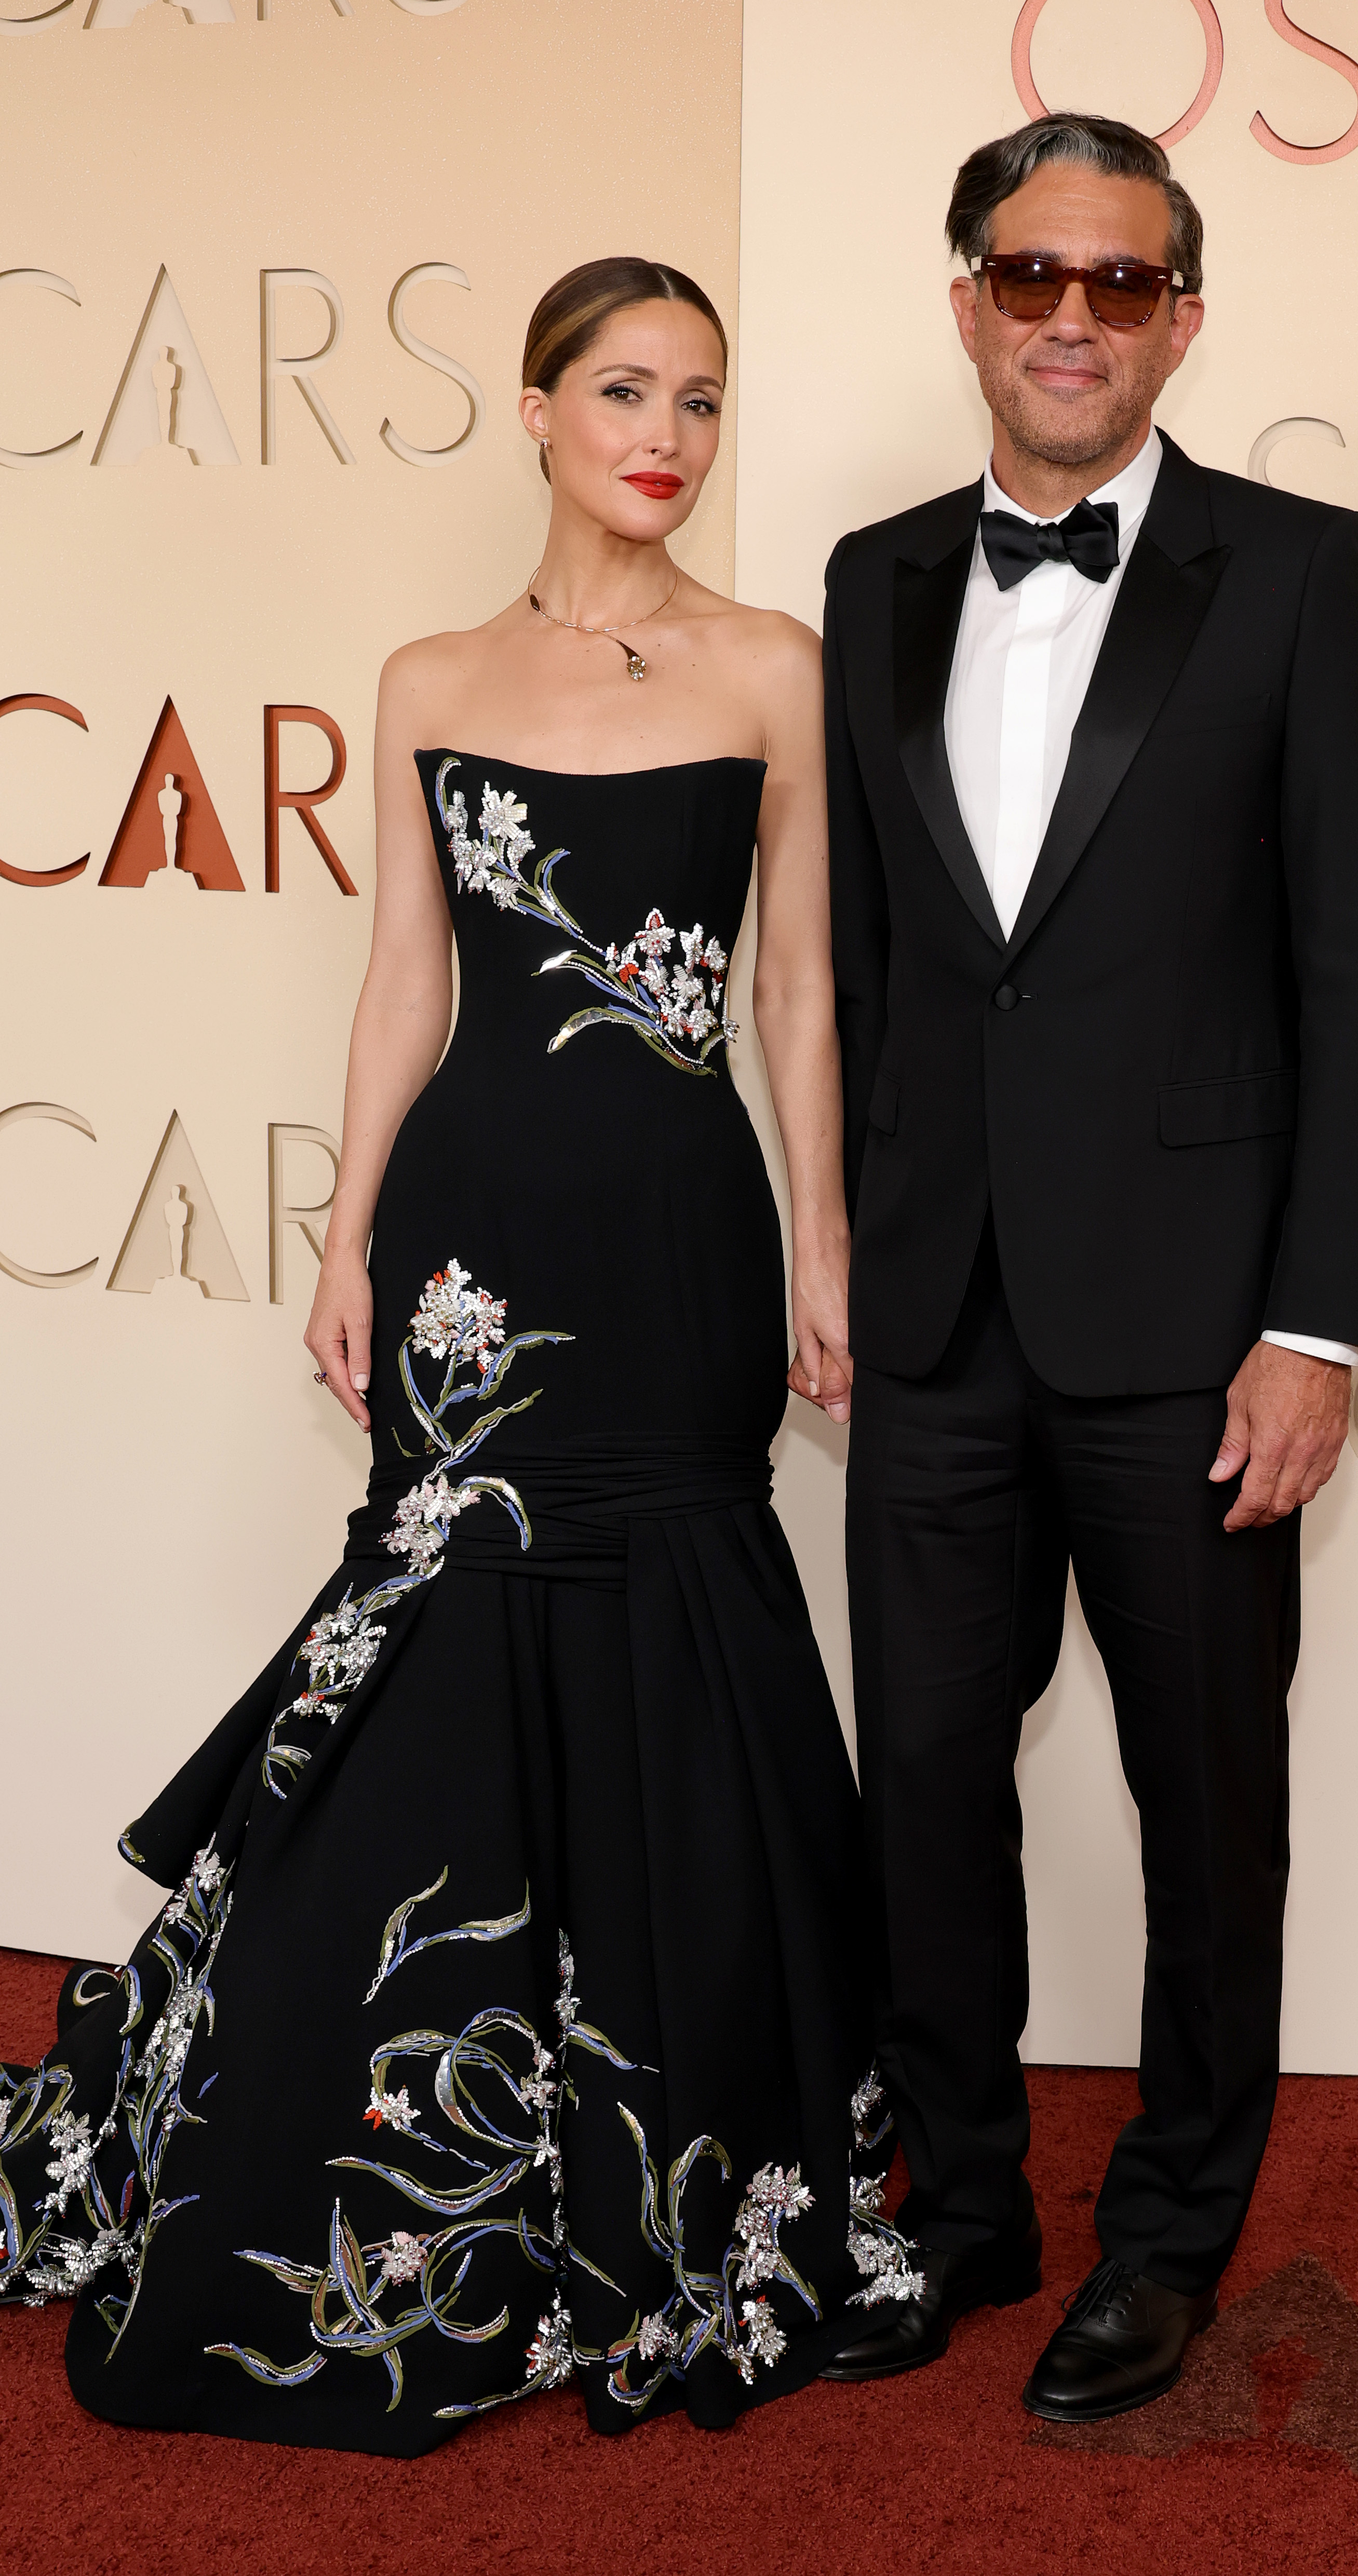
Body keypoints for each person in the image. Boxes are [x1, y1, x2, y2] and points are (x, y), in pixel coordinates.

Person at [0, 255, 917, 2457]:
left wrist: (823, 1236)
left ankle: (680, 2174)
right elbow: (408, 986)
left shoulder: (770, 666)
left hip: (682, 1231)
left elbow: (792, 992)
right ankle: (418, 2150)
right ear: (533, 408)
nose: (666, 433)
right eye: (624, 388)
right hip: (473, 1250)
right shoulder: (427, 671)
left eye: (701, 398)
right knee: (442, 1639)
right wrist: (342, 1224)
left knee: (677, 1629)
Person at [817, 115, 1358, 2423]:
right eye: (1027, 271)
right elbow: (878, 970)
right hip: (936, 1316)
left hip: (1196, 1331)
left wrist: (1315, 1322)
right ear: (966, 298)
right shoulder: (871, 577)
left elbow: (1354, 976)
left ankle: (1167, 2232)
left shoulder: (1294, 572)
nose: (1068, 315)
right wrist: (843, 1248)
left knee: (1205, 1800)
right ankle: (962, 2198)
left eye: (1119, 281)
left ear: (1180, 316)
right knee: (925, 1787)